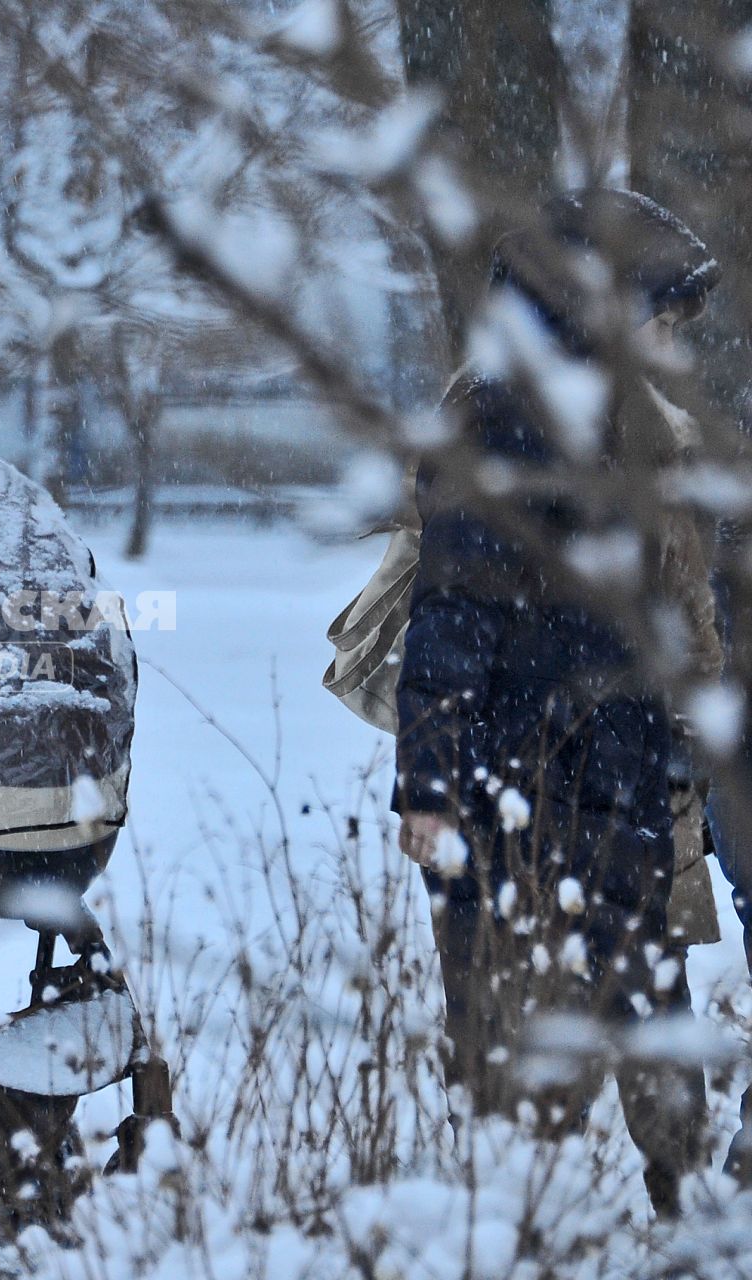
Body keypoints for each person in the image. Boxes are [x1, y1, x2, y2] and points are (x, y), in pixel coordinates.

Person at [395, 189, 721, 1216]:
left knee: (639, 986)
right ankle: (524, 1202)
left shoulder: (626, 432)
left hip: (612, 768)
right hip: (516, 775)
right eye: (654, 322)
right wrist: (431, 785)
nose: (667, 347)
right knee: (522, 1002)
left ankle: (672, 1194)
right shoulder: (501, 424)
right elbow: (454, 613)